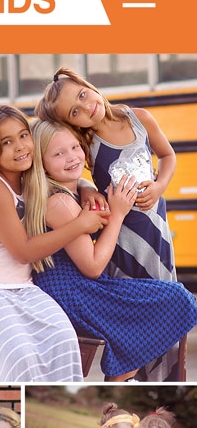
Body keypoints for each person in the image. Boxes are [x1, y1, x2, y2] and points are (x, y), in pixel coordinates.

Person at [0, 104, 109, 383]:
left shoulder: (29, 180)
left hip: (22, 288)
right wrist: (79, 225)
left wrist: (86, 186)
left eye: (23, 136)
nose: (20, 147)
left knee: (63, 339)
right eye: (6, 142)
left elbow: (65, 178)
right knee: (20, 353)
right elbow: (22, 251)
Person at [24, 121, 197, 382]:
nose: (71, 157)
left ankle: (123, 369)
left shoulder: (69, 192)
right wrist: (117, 214)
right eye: (58, 154)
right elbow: (92, 267)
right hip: (75, 292)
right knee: (177, 298)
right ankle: (120, 372)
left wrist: (86, 187)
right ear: (41, 162)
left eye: (74, 147)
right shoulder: (60, 202)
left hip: (78, 287)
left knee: (170, 301)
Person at [36, 67, 179, 379]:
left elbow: (167, 156)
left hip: (156, 233)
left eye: (83, 95)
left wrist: (160, 185)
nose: (87, 107)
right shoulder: (86, 141)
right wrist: (88, 189)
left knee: (168, 314)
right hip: (121, 243)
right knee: (140, 319)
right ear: (72, 123)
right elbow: (72, 172)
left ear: (89, 86)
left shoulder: (139, 118)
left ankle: (168, 378)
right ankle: (133, 379)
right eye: (75, 111)